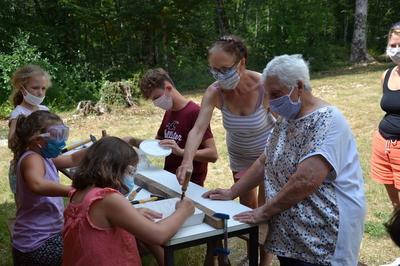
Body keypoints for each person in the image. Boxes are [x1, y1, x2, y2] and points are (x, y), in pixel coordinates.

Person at [203, 54, 366, 266]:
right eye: (268, 95)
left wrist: (264, 211)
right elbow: (264, 161)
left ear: (299, 86)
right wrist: (233, 192)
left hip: (323, 235)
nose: (269, 103)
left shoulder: (328, 121)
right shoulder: (288, 119)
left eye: (275, 94)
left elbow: (306, 180)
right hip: (291, 234)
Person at [62, 136, 195, 266]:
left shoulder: (79, 193)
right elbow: (158, 235)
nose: (131, 177)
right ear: (111, 168)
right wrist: (183, 211)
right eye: (130, 172)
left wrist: (130, 213)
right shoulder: (109, 199)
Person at [176, 35, 275, 208]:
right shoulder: (214, 92)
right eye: (214, 69)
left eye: (224, 69)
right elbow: (198, 129)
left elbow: (285, 125)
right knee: (246, 207)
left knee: (266, 206)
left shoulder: (264, 86)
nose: (219, 75)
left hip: (268, 154)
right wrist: (187, 160)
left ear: (241, 63)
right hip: (240, 156)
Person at [10, 110, 86, 266]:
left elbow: (72, 158)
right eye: (57, 136)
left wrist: (98, 149)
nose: (62, 141)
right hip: (35, 245)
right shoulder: (32, 159)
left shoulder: (44, 156)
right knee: (86, 251)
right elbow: (37, 184)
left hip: (43, 237)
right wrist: (72, 190)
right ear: (38, 140)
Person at [134, 68, 217, 186]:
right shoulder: (169, 112)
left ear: (168, 88)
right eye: (153, 100)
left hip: (190, 183)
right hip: (169, 179)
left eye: (156, 97)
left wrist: (182, 152)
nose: (156, 103)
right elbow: (158, 142)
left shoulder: (194, 112)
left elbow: (213, 155)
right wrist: (134, 141)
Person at [8, 64, 51, 201]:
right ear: (22, 89)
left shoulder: (44, 110)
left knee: (45, 204)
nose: (40, 93)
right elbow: (12, 141)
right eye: (35, 88)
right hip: (24, 167)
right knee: (27, 209)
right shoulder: (18, 113)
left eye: (43, 88)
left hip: (46, 164)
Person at [370, 22, 400, 211]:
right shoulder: (386, 75)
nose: (396, 50)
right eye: (393, 45)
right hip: (383, 145)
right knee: (396, 205)